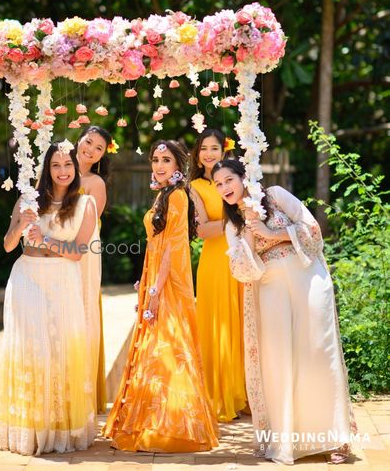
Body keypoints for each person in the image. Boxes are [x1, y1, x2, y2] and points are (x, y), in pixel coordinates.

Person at [212, 158, 356, 465]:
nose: (225, 188)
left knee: (318, 351)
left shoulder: (275, 195)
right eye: (219, 184)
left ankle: (334, 437)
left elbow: (313, 230)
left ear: (243, 178)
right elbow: (241, 269)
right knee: (280, 361)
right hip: (270, 287)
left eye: (229, 180)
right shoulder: (232, 224)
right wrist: (250, 230)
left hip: (308, 277)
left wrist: (269, 230)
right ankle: (286, 441)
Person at [103, 140, 218, 452]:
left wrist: (156, 290)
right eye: (155, 159)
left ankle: (170, 428)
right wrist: (145, 278)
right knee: (155, 348)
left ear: (178, 166)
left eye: (166, 160)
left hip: (171, 283)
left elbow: (171, 247)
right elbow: (156, 243)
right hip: (156, 276)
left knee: (168, 348)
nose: (159, 165)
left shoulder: (178, 197)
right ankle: (150, 421)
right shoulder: (164, 194)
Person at [0, 141, 101, 456]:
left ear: (75, 168)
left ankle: (61, 429)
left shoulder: (86, 205)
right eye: (55, 165)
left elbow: (78, 252)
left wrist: (44, 238)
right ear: (47, 168)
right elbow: (6, 245)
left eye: (67, 165)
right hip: (27, 277)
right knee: (33, 350)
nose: (62, 171)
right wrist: (22, 225)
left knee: (60, 351)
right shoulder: (28, 200)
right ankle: (31, 429)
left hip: (62, 280)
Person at [189, 129, 248, 422]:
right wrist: (236, 215)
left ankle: (247, 394)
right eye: (204, 148)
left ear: (224, 151)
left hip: (245, 254)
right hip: (215, 260)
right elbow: (201, 230)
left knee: (245, 321)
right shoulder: (195, 187)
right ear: (197, 154)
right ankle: (220, 393)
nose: (209, 153)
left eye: (214, 148)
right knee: (220, 323)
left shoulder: (238, 177)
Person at [76, 124, 115, 414]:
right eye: (88, 142)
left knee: (82, 308)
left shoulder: (95, 182)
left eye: (98, 148)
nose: (90, 149)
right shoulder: (56, 168)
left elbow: (91, 224)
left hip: (84, 249)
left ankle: (83, 388)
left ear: (102, 155)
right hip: (53, 245)